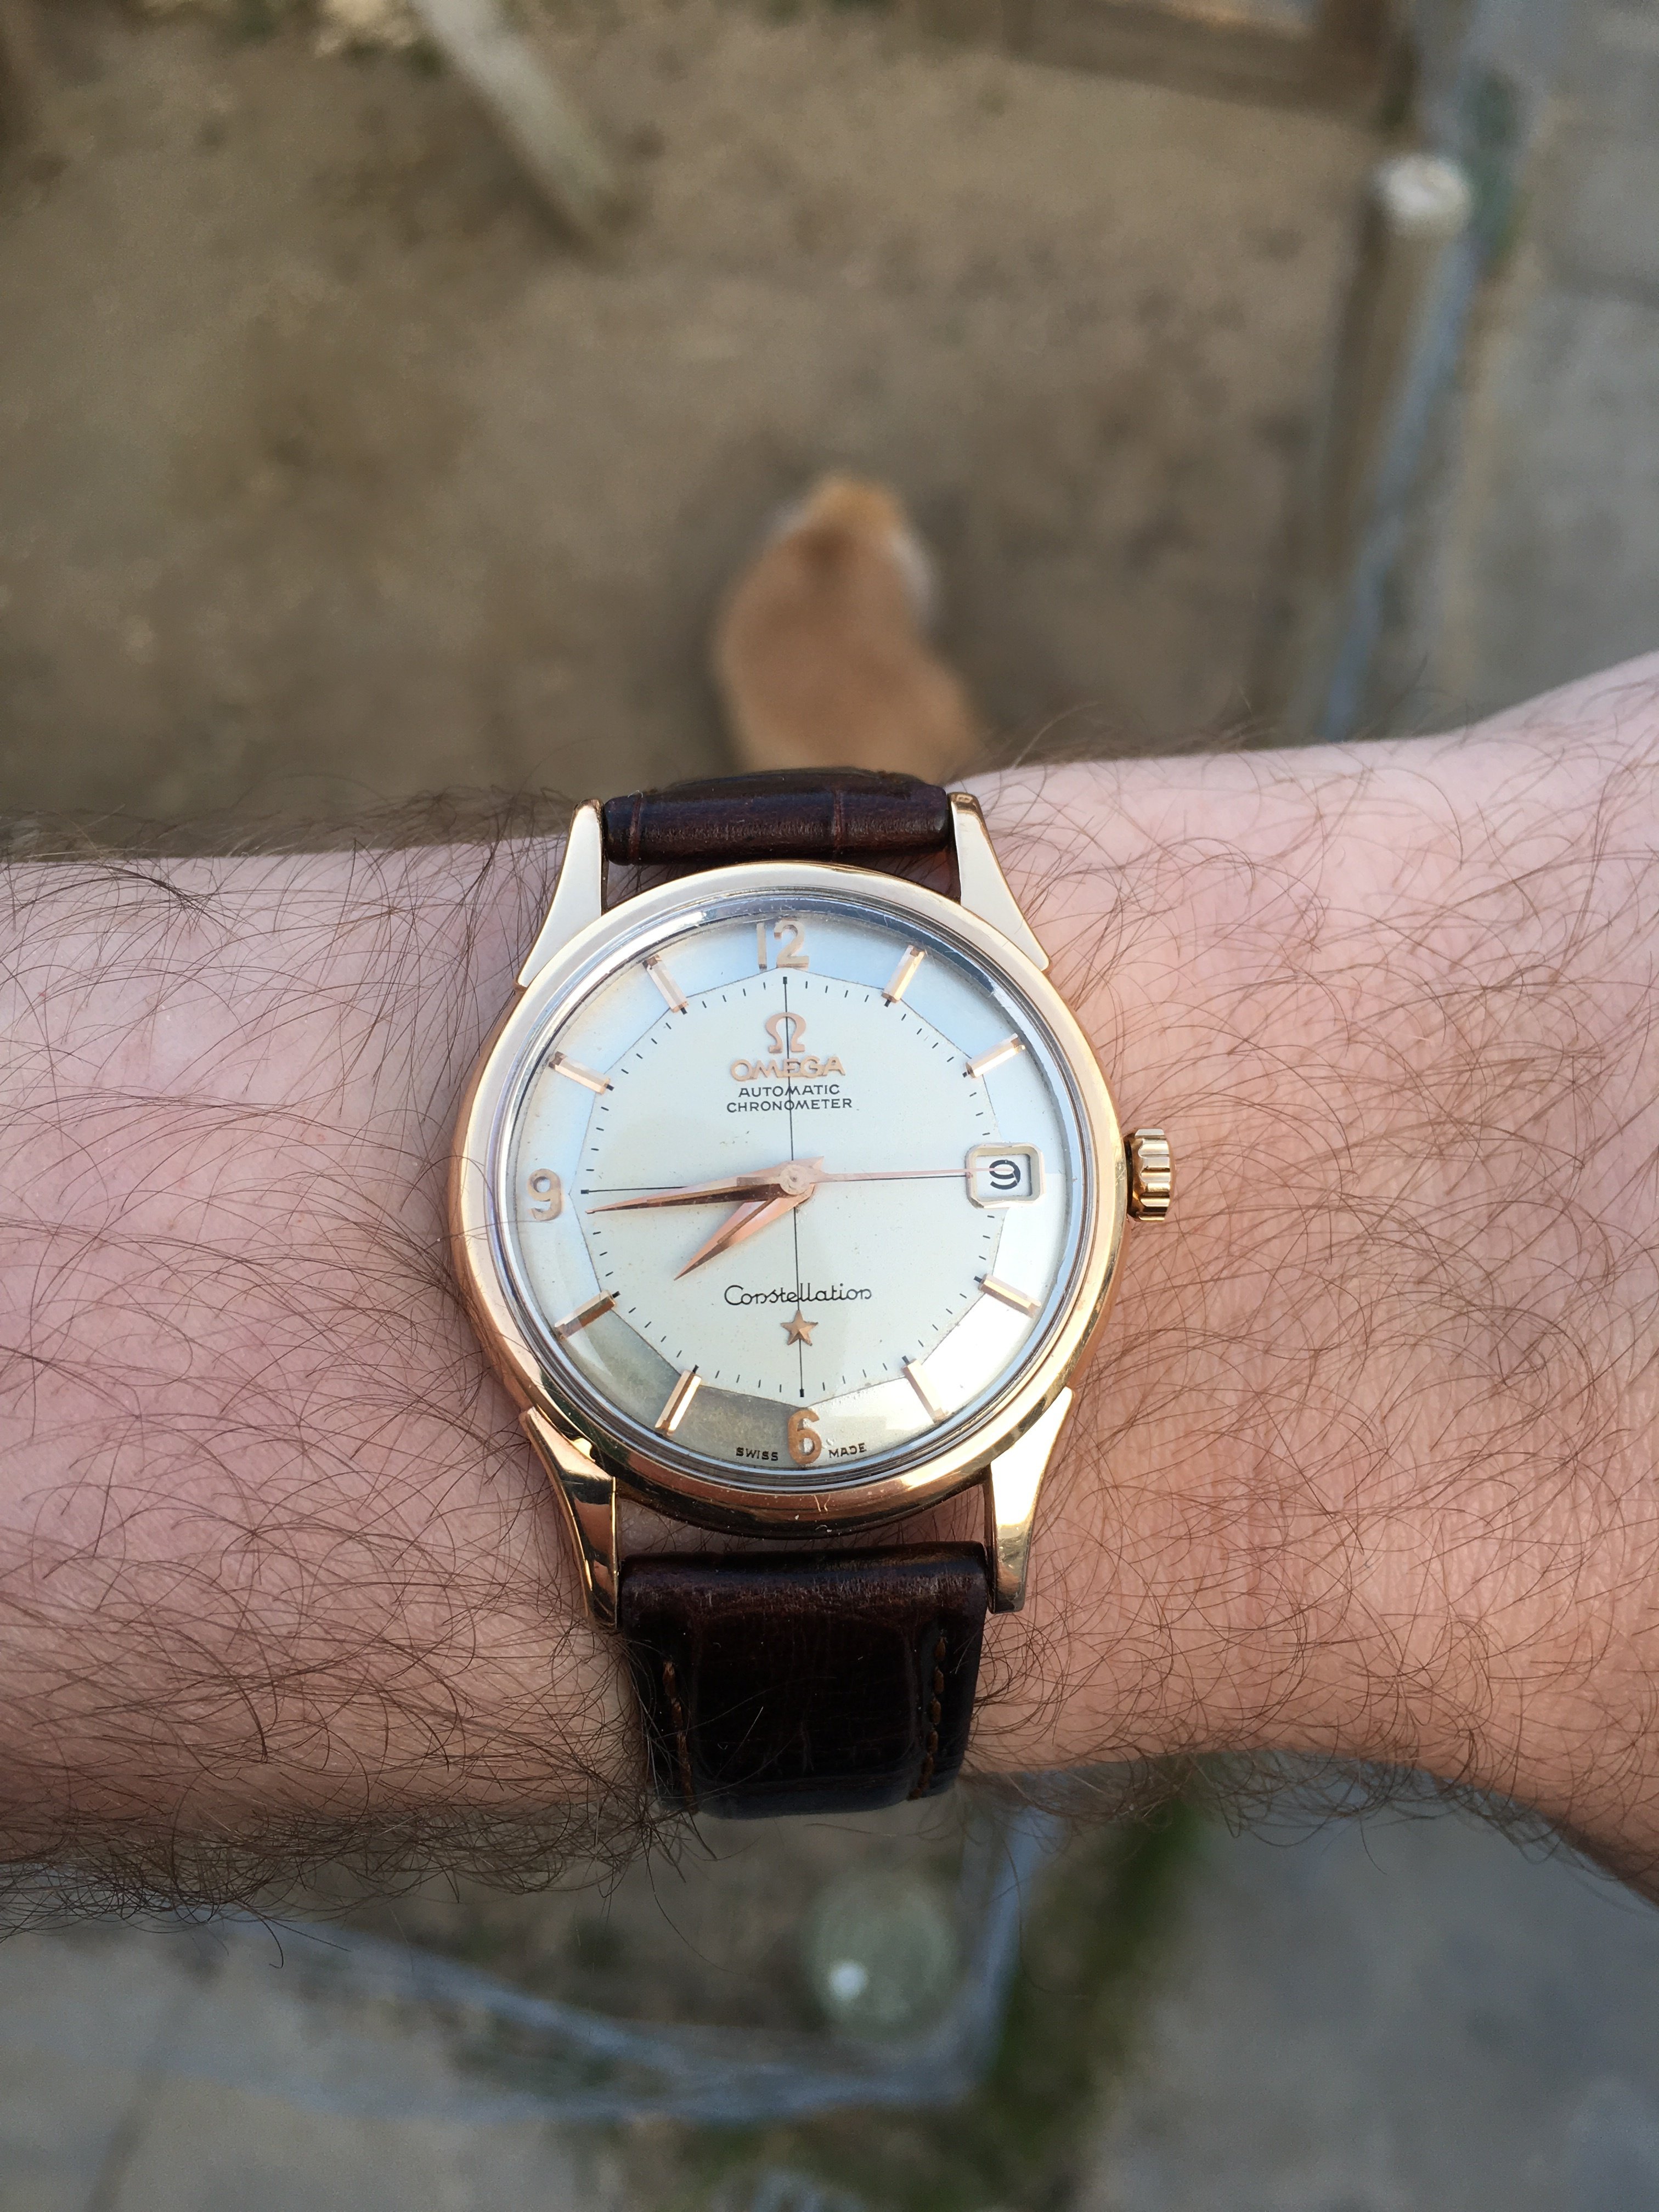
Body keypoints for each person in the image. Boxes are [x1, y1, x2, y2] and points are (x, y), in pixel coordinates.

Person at [1, 569, 1656, 1906]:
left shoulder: (985, 1250)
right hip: (671, 1424)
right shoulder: (632, 1385)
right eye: (773, 1188)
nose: (788, 1190)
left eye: (799, 1184)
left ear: (1123, 1178)